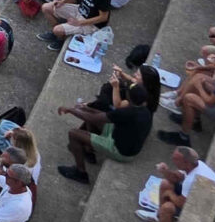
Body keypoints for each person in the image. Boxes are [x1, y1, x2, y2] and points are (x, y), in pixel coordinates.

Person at [62, 46, 161, 181]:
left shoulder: (126, 111)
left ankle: (81, 173)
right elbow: (97, 116)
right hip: (125, 135)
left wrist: (72, 110)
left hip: (121, 150)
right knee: (92, 112)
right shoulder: (143, 107)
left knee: (73, 133)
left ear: (129, 98)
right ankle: (88, 150)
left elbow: (96, 118)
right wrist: (85, 108)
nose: (134, 76)